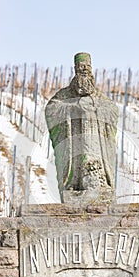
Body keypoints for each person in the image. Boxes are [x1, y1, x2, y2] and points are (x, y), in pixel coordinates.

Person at [45, 52, 118, 203]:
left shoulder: (98, 96)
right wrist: (74, 108)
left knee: (95, 168)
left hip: (96, 145)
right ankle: (74, 185)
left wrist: (95, 109)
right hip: (73, 144)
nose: (84, 70)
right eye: (80, 68)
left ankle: (99, 184)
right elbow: (51, 110)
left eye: (87, 68)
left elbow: (112, 110)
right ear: (75, 70)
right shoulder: (64, 95)